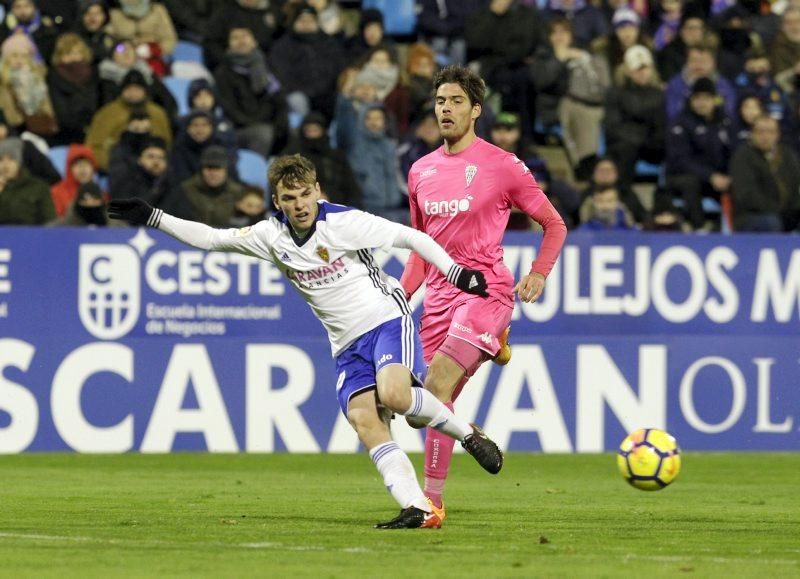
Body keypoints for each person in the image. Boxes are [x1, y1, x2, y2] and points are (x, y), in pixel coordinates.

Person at [108, 153, 504, 530]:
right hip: (345, 344)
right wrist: (153, 217)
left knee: (396, 395)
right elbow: (212, 238)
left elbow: (411, 237)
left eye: (305, 194)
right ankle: (418, 508)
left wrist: (454, 272)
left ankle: (467, 435)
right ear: (277, 202)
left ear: (318, 190)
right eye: (289, 198)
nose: (299, 205)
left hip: (386, 318)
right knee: (365, 420)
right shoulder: (269, 236)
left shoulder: (344, 223)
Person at [400, 65, 568, 523]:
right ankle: (470, 434)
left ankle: (432, 503)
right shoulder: (420, 170)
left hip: (485, 290)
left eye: (455, 101)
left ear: (476, 110)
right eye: (440, 101)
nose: (446, 109)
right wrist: (398, 297)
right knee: (426, 409)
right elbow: (420, 248)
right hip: (437, 298)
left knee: (433, 386)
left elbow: (554, 224)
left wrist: (538, 273)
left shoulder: (502, 165)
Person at [729, 115, 800, 231]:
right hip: (751, 216)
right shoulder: (743, 156)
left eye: (771, 132)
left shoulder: (787, 155)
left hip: (784, 213)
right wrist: (778, 210)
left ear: (778, 135)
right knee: (771, 222)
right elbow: (746, 196)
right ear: (752, 134)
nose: (765, 136)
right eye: (760, 132)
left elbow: (795, 185)